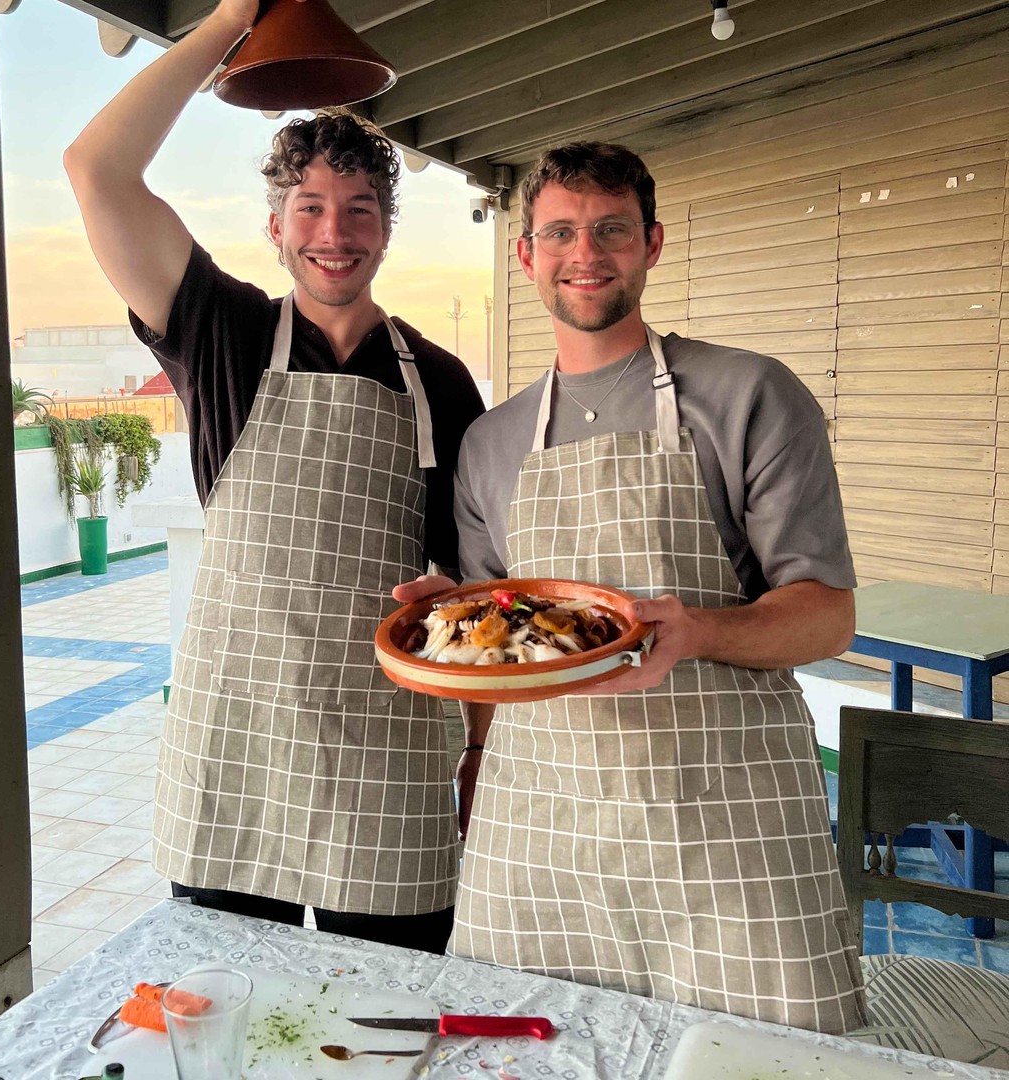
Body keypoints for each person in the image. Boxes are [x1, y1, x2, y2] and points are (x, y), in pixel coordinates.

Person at [395, 142, 866, 1029]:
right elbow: (500, 635)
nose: (587, 252)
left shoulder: (748, 392)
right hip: (546, 817)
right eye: (561, 232)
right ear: (527, 254)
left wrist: (699, 631)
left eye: (611, 229)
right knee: (533, 1044)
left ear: (651, 243)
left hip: (724, 813)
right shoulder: (491, 443)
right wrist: (453, 630)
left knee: (754, 1050)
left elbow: (826, 619)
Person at [64, 0, 484, 954]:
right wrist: (226, 21)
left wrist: (475, 730)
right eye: (311, 208)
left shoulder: (441, 381)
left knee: (385, 1020)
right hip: (237, 744)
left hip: (386, 753)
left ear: (386, 230)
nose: (334, 232)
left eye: (359, 209)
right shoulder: (223, 330)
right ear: (275, 225)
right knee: (228, 1008)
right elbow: (96, 169)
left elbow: (472, 577)